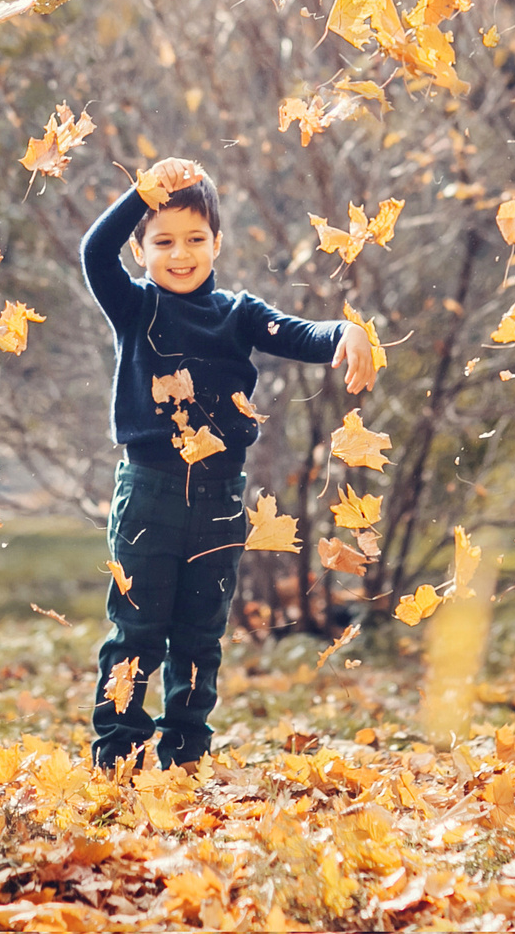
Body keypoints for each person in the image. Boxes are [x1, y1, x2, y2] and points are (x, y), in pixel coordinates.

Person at [81, 158, 379, 771]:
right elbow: (93, 251)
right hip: (149, 494)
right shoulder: (135, 308)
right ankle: (117, 759)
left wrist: (345, 331)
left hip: (218, 501)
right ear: (141, 250)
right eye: (163, 241)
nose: (181, 254)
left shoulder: (239, 314)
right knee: (136, 633)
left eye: (195, 239)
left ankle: (186, 758)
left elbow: (299, 334)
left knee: (199, 638)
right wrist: (141, 195)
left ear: (217, 243)